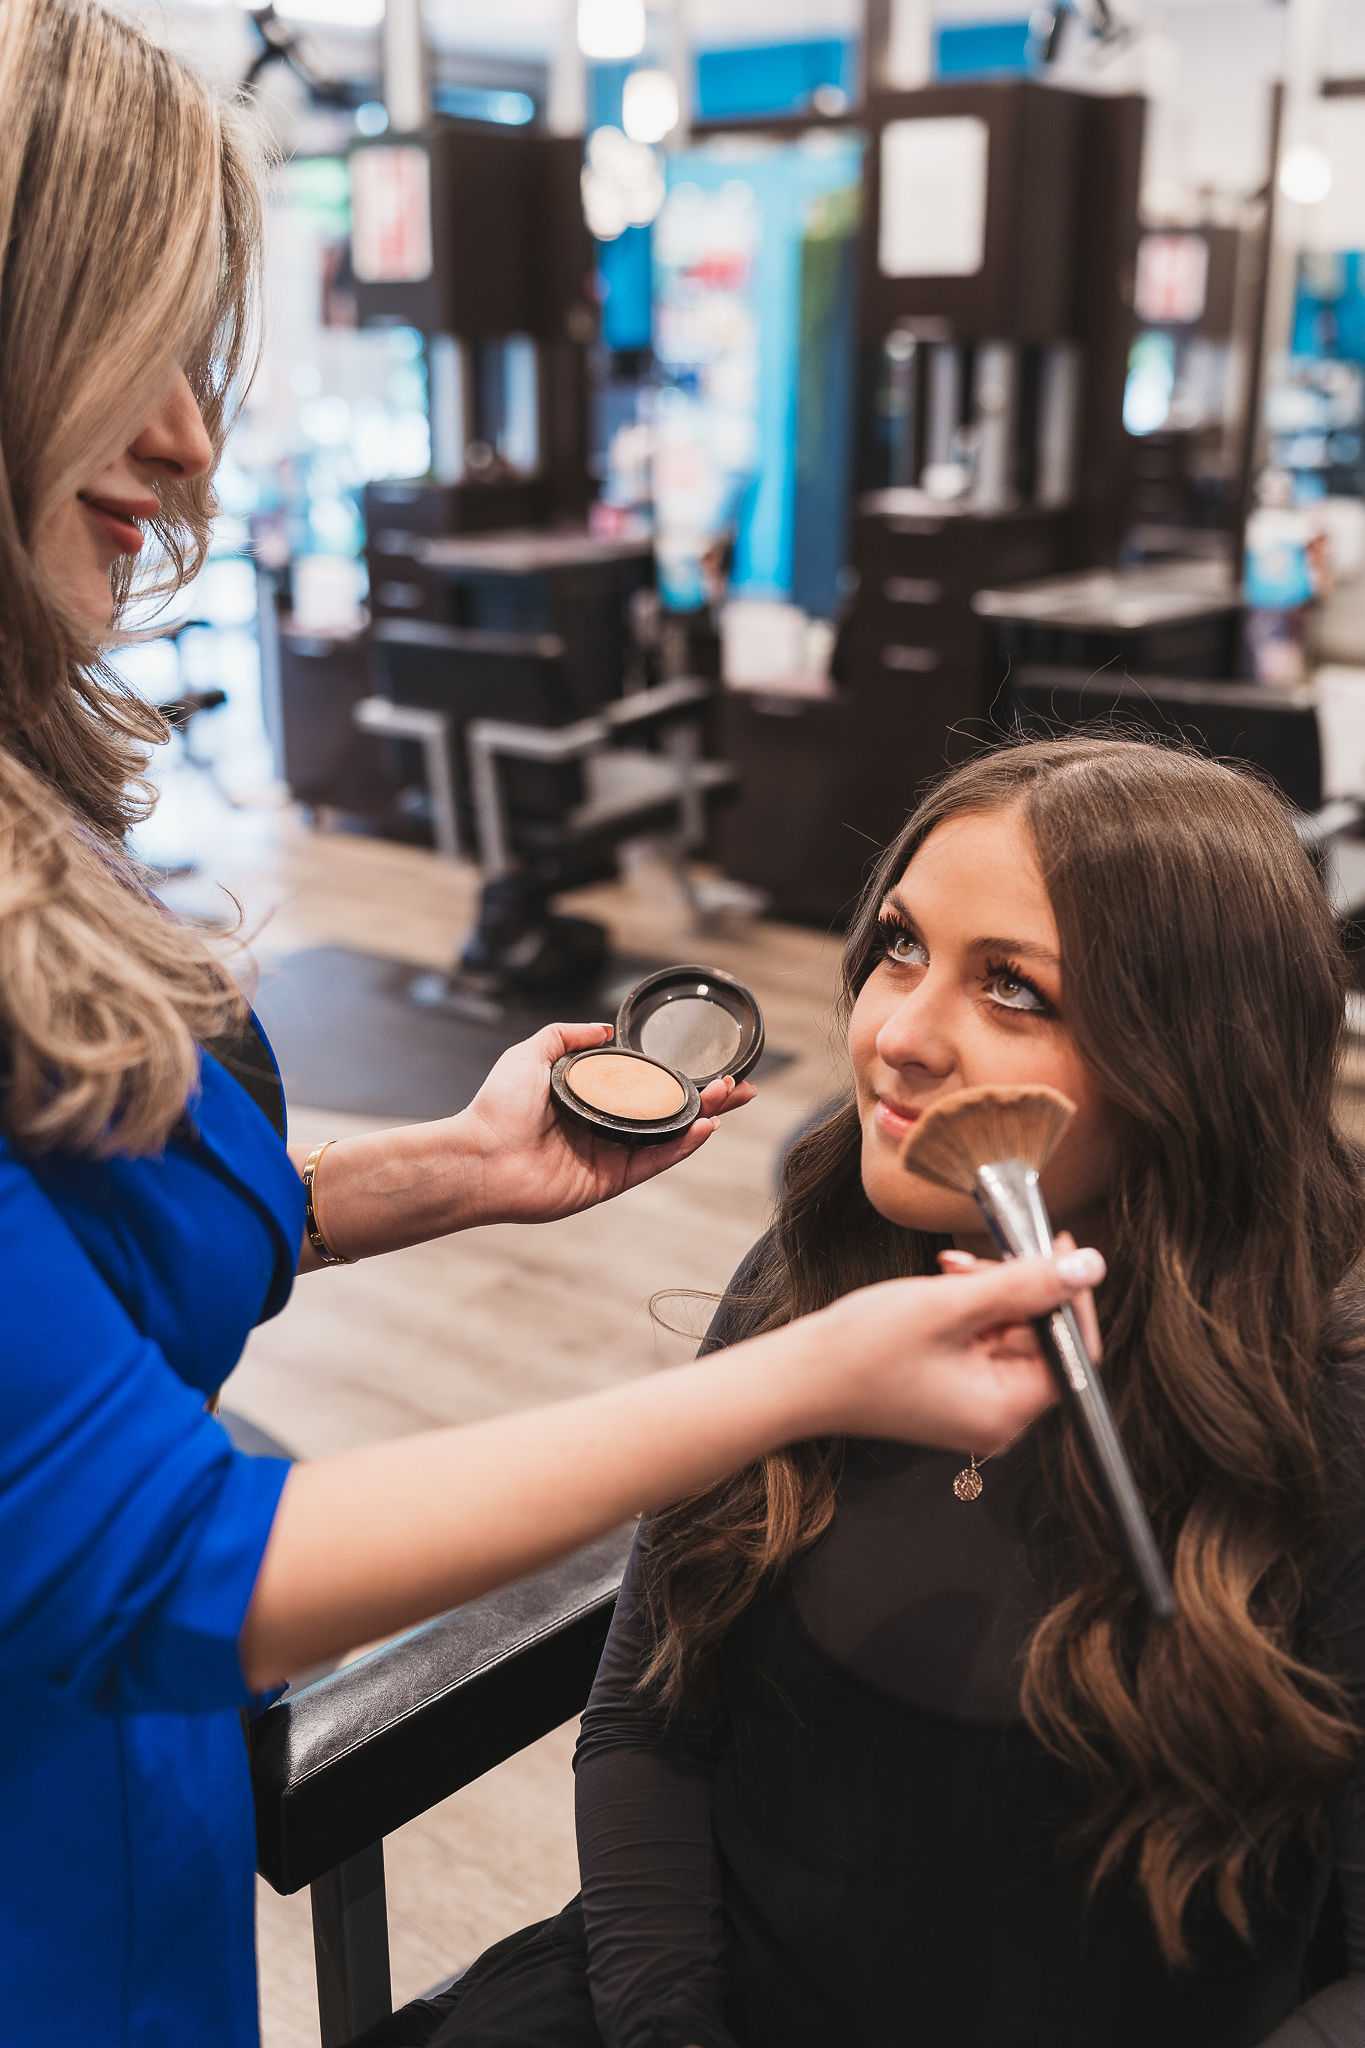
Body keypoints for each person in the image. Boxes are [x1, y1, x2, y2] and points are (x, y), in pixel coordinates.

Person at [0, 5, 1105, 2043]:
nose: (189, 440)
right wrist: (799, 1384)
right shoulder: (800, 1319)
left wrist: (449, 1173)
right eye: (889, 954)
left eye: (1011, 982)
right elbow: (152, 1553)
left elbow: (65, 1272)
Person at [363, 737, 1365, 2048]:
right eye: (898, 946)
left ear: (1193, 1058)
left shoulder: (1324, 1417)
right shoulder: (813, 1268)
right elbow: (646, 1726)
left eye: (1013, 990)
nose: (896, 1036)